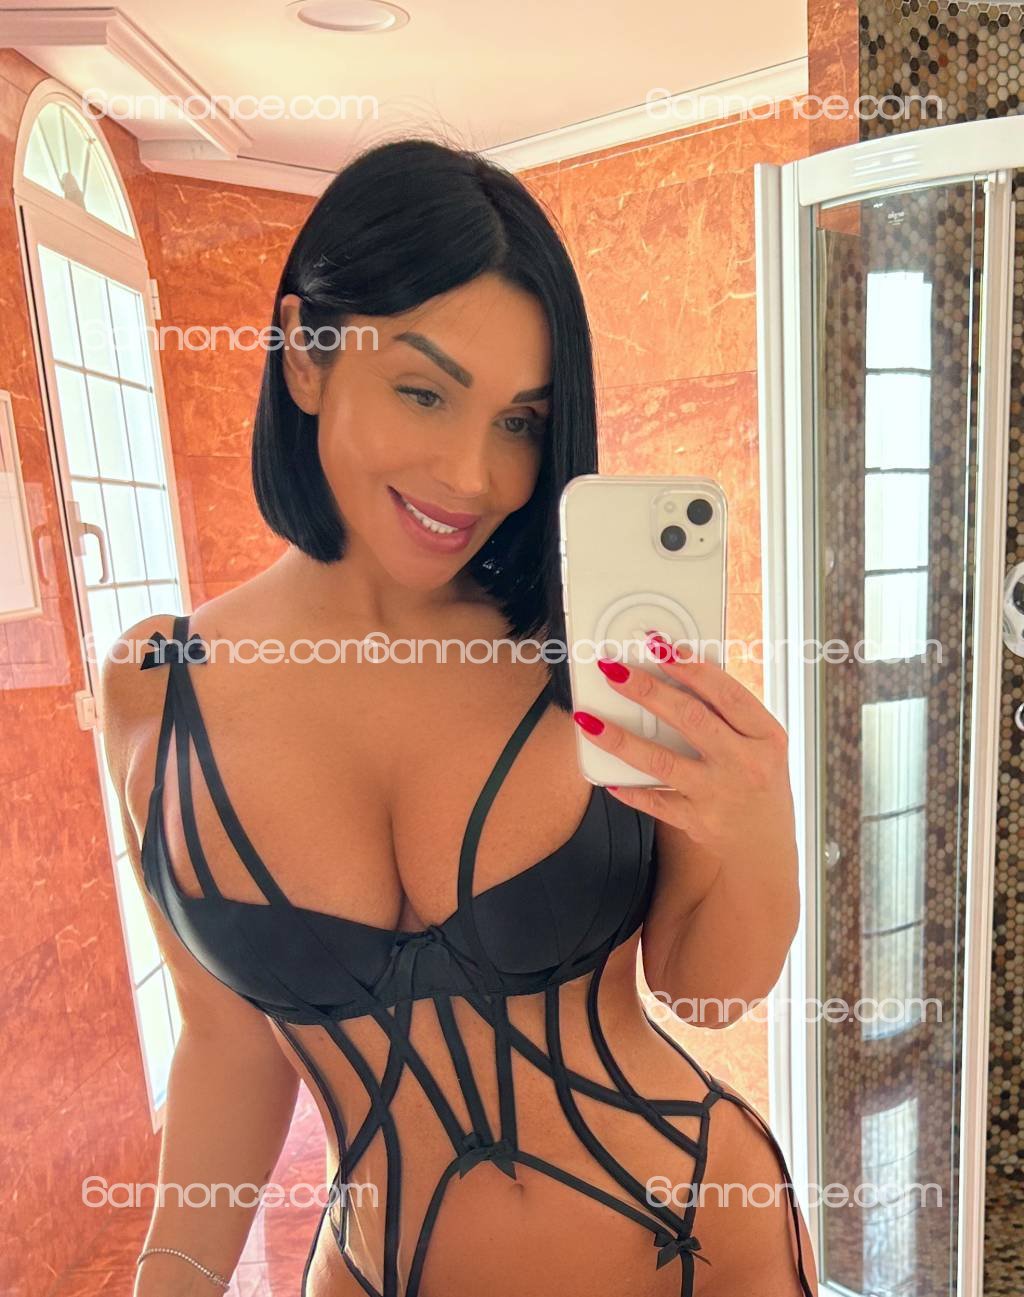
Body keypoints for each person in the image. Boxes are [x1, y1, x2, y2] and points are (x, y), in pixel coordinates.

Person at [101, 137, 818, 1297]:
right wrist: (168, 1278)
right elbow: (232, 1044)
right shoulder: (157, 686)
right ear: (305, 355)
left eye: (520, 421)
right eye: (424, 391)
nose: (474, 476)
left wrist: (758, 830)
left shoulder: (588, 650)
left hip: (690, 1251)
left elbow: (703, 989)